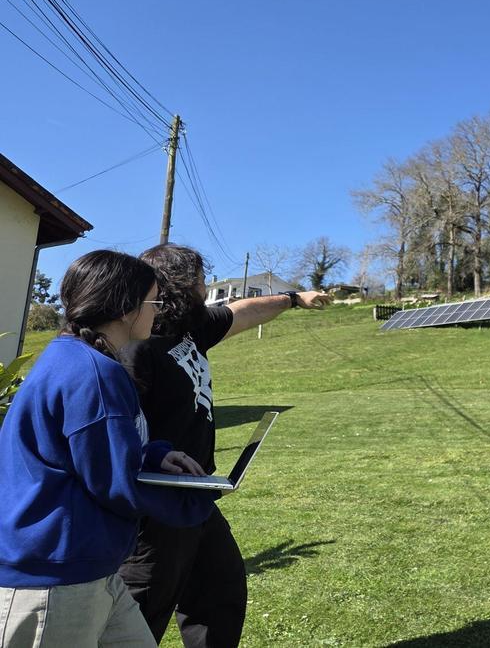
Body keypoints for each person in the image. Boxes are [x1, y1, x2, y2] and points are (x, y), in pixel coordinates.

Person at [0, 250, 217, 647]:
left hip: (91, 569)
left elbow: (89, 453)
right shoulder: (95, 374)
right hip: (56, 579)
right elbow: (115, 484)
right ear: (124, 308)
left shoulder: (73, 357)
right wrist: (199, 496)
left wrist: (154, 455)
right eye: (154, 301)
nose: (158, 311)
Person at [119, 243, 330, 647]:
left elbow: (242, 311)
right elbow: (119, 426)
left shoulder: (190, 328)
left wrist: (293, 299)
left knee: (221, 592)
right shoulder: (138, 345)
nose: (205, 286)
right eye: (199, 278)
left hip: (197, 498)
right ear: (181, 284)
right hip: (156, 506)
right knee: (140, 613)